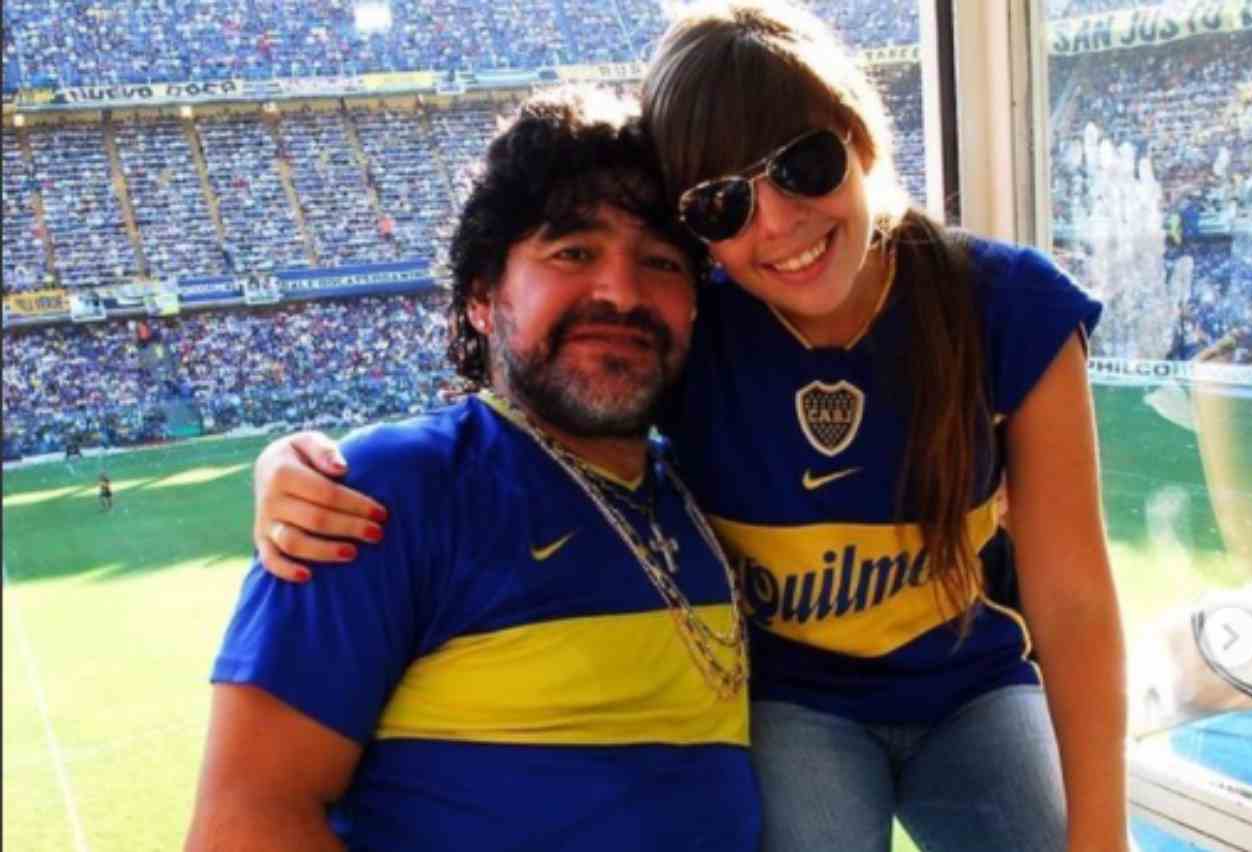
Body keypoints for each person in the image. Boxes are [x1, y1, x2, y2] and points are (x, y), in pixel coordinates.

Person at [249, 3, 1127, 850]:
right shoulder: (695, 323)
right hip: (796, 700)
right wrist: (295, 466)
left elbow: (1074, 598)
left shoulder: (1006, 302)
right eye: (720, 205)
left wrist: (1103, 837)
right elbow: (538, 406)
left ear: (861, 137)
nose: (776, 221)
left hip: (972, 685)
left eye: (805, 163)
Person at [186, 86, 759, 852]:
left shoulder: (708, 497)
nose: (622, 293)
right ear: (483, 297)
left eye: (660, 261)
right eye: (573, 252)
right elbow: (244, 827)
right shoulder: (382, 493)